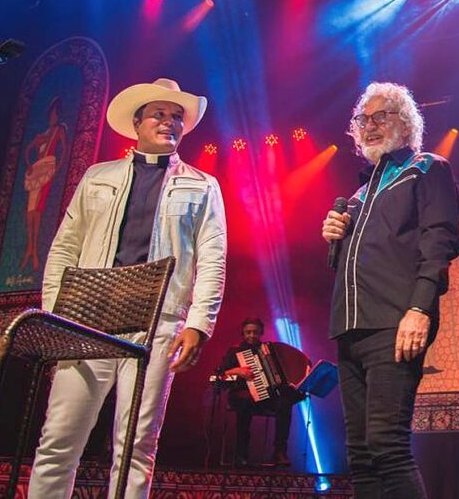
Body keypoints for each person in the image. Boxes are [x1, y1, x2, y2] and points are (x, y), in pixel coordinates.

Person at [28, 78, 227, 499]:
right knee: (59, 439)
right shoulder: (98, 176)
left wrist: (199, 323)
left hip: (159, 320)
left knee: (137, 446)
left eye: (177, 117)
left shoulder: (202, 185)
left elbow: (212, 258)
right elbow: (64, 246)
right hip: (89, 319)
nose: (169, 122)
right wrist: (55, 313)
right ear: (137, 122)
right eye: (159, 113)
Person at [321, 82, 459, 498]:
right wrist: (335, 238)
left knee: (388, 446)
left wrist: (419, 309)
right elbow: (352, 264)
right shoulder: (358, 195)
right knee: (361, 455)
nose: (370, 126)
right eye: (363, 120)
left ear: (406, 122)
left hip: (395, 321)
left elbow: (440, 241)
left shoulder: (425, 167)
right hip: (350, 327)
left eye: (381, 117)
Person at [216, 317, 296, 467]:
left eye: (255, 332)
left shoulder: (269, 350)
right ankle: (241, 454)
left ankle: (279, 452)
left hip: (266, 396)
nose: (252, 335)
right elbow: (221, 374)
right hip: (241, 394)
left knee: (285, 404)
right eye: (248, 332)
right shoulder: (235, 351)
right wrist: (237, 370)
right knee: (245, 403)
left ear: (261, 333)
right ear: (243, 333)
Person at [22, 97, 67, 271]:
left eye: (55, 114)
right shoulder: (44, 134)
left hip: (47, 168)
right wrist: (28, 164)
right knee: (30, 211)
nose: (53, 117)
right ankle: (30, 248)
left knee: (38, 209)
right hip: (37, 170)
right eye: (52, 115)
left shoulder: (59, 130)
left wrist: (57, 168)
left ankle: (34, 250)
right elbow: (28, 150)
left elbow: (63, 149)